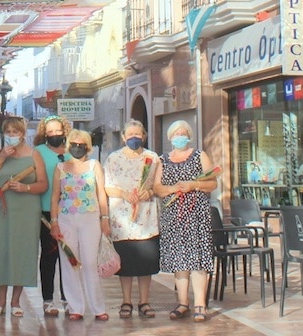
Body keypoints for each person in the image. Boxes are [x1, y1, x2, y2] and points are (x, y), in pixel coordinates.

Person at [0, 114, 48, 318]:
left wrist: (25, 186)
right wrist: (1, 159)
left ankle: (16, 301)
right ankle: (0, 300)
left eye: (15, 132)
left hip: (27, 210)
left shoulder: (34, 154)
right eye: (8, 132)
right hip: (3, 210)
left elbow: (43, 184)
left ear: (22, 134)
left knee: (22, 252)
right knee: (2, 251)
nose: (11, 135)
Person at [154, 119, 217, 323]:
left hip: (196, 214)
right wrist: (174, 189)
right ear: (170, 137)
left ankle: (200, 303)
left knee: (197, 258)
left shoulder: (200, 156)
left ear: (189, 135)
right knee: (179, 259)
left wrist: (194, 185)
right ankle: (183, 303)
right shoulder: (162, 160)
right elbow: (157, 188)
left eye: (183, 133)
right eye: (176, 134)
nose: (179, 137)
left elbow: (212, 182)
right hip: (173, 216)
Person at [49, 128, 111, 321]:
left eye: (81, 145)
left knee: (90, 262)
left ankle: (98, 307)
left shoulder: (94, 165)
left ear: (88, 147)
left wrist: (105, 218)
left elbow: (101, 193)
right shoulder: (60, 168)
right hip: (66, 218)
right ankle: (76, 307)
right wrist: (54, 222)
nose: (77, 148)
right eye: (73, 144)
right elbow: (55, 196)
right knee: (70, 262)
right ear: (68, 146)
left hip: (90, 218)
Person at [104, 119, 160, 319]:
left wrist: (149, 192)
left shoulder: (152, 158)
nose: (134, 138)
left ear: (144, 136)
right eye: (130, 135)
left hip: (146, 219)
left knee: (146, 263)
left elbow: (159, 185)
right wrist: (124, 194)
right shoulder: (113, 158)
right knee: (126, 263)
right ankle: (126, 301)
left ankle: (144, 301)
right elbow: (107, 187)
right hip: (122, 220)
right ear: (123, 137)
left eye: (138, 135)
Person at [32, 114, 70, 316]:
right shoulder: (38, 152)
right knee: (49, 254)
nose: (55, 134)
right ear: (44, 134)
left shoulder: (73, 151)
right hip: (46, 210)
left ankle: (68, 297)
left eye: (58, 131)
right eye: (51, 132)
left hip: (71, 210)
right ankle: (48, 299)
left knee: (70, 255)